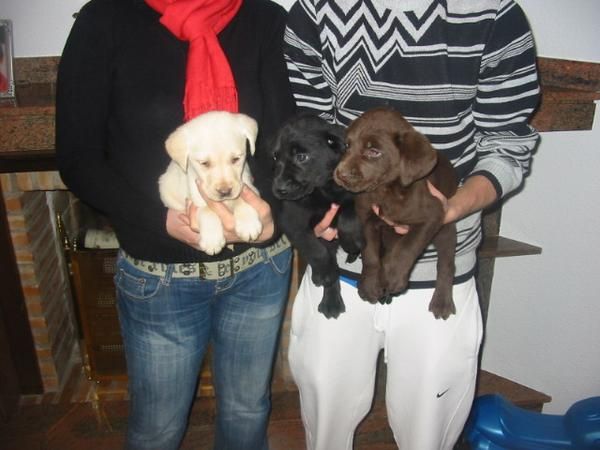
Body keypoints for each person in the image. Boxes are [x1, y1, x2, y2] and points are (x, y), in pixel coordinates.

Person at [283, 1, 540, 449]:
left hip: (440, 269)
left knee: (427, 435)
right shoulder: (316, 9)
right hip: (346, 258)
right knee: (323, 426)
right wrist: (319, 215)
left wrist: (450, 209)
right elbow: (314, 130)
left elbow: (506, 143)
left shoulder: (492, 14)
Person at [55, 0, 296, 449]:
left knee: (248, 412)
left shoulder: (263, 19)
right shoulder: (105, 20)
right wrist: (162, 220)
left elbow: (289, 142)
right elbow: (78, 159)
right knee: (157, 429)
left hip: (260, 266)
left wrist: (273, 218)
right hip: (160, 275)